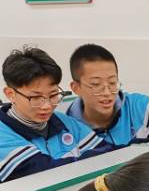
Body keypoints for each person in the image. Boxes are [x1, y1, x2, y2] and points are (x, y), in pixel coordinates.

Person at [0, 47, 115, 182]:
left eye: (53, 95)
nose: (47, 106)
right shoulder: (3, 135)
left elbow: (108, 153)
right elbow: (47, 174)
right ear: (10, 94)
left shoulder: (63, 122)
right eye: (35, 98)